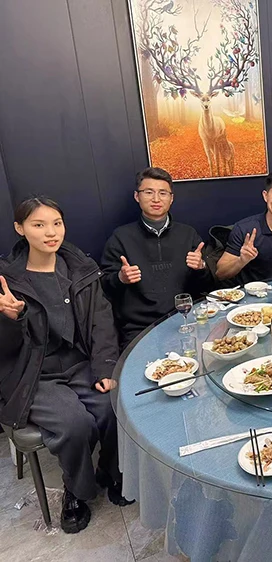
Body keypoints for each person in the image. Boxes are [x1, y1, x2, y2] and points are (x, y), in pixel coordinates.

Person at [0, 197, 133, 535]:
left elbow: (101, 322)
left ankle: (111, 471)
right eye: (39, 225)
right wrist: (10, 320)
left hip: (79, 364)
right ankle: (77, 491)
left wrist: (106, 368)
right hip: (33, 375)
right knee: (75, 425)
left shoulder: (80, 269)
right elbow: (6, 350)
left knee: (115, 406)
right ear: (20, 229)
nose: (51, 232)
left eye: (56, 223)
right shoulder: (7, 280)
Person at [100, 167, 212, 349]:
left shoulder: (188, 234)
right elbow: (104, 286)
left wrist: (202, 268)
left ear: (171, 198)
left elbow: (206, 286)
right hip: (140, 329)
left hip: (184, 320)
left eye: (163, 193)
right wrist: (120, 278)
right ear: (137, 196)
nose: (156, 199)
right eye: (148, 192)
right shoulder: (121, 237)